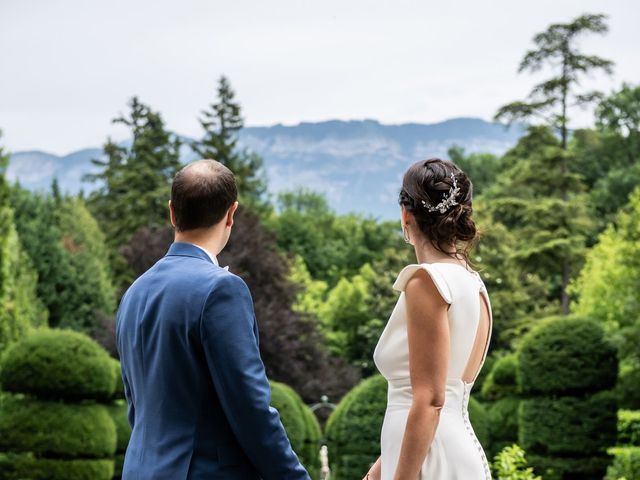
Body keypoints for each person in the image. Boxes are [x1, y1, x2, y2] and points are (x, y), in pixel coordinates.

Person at [116, 159, 311, 480]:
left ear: (172, 212)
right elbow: (249, 407)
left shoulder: (135, 292)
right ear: (231, 213)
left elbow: (136, 404)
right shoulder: (221, 289)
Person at [366, 158, 493, 479]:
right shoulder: (472, 282)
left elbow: (430, 400)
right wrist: (377, 473)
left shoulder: (427, 281)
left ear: (405, 215)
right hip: (447, 451)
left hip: (430, 462)